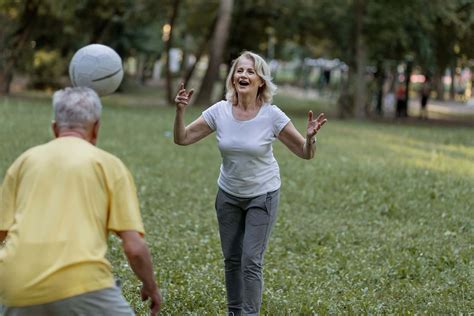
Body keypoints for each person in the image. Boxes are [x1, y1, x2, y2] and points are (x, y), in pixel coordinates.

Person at [173, 51, 327, 315]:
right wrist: (180, 111)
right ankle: (235, 312)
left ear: (261, 81)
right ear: (233, 78)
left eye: (250, 71)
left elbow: (305, 153)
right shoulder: (220, 111)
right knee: (232, 260)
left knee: (251, 261)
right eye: (239, 71)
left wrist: (310, 138)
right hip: (228, 195)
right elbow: (182, 138)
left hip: (262, 195)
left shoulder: (272, 116)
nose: (243, 75)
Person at [0, 87, 161, 315]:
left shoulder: (24, 162)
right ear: (96, 128)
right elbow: (134, 248)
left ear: (55, 128)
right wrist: (151, 286)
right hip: (82, 283)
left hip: (15, 285)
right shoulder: (109, 165)